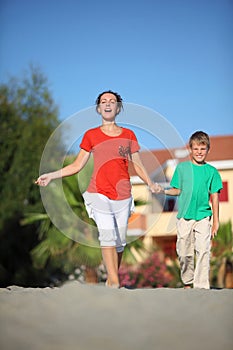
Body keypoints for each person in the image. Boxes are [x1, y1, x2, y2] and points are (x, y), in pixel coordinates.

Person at [36, 90, 156, 288]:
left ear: (118, 108)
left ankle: (111, 278)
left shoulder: (128, 135)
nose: (108, 104)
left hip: (123, 195)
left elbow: (138, 164)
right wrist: (51, 175)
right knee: (107, 233)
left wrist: (150, 183)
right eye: (103, 101)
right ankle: (115, 281)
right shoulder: (91, 135)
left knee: (119, 242)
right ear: (99, 108)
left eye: (112, 101)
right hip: (98, 192)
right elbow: (76, 165)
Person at [154, 131, 222, 289]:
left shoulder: (212, 172)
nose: (199, 152)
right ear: (191, 149)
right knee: (184, 252)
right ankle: (187, 280)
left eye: (203, 149)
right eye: (196, 148)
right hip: (184, 216)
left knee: (204, 250)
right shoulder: (182, 168)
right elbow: (176, 190)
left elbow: (215, 197)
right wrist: (163, 190)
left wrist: (216, 222)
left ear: (208, 150)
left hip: (204, 216)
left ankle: (201, 286)